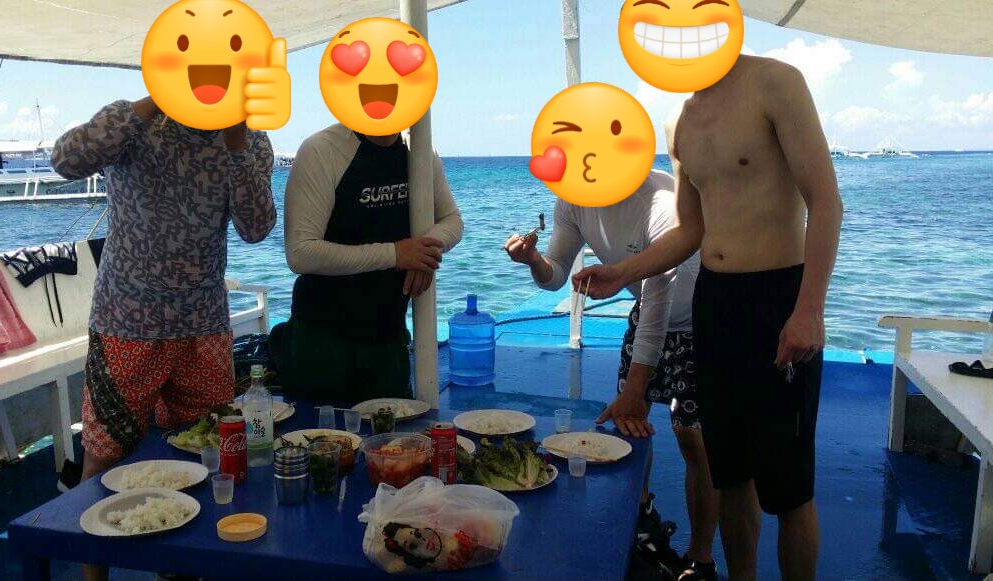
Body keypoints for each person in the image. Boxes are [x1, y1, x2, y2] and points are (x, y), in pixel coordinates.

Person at [573, 55, 843, 581]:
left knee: (788, 487)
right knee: (730, 473)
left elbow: (826, 201)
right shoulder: (679, 120)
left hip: (778, 296)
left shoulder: (776, 83)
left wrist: (810, 308)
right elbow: (688, 231)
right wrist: (621, 271)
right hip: (714, 304)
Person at [52, 96, 276, 580]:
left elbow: (257, 228)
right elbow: (65, 159)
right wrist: (154, 100)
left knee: (204, 454)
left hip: (204, 325)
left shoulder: (251, 140)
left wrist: (237, 146)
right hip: (126, 323)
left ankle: (179, 570)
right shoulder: (134, 123)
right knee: (104, 455)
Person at [504, 170, 718, 580]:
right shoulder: (571, 199)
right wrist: (534, 261)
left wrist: (636, 389)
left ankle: (700, 558)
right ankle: (642, 525)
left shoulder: (661, 201)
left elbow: (658, 299)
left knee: (694, 440)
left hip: (700, 322)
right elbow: (555, 276)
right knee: (630, 428)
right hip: (647, 314)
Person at [272, 123, 463, 403]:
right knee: (317, 431)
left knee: (397, 430)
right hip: (322, 341)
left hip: (388, 337)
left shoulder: (420, 149)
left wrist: (423, 254)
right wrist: (397, 255)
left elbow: (452, 220)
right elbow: (300, 252)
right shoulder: (322, 149)